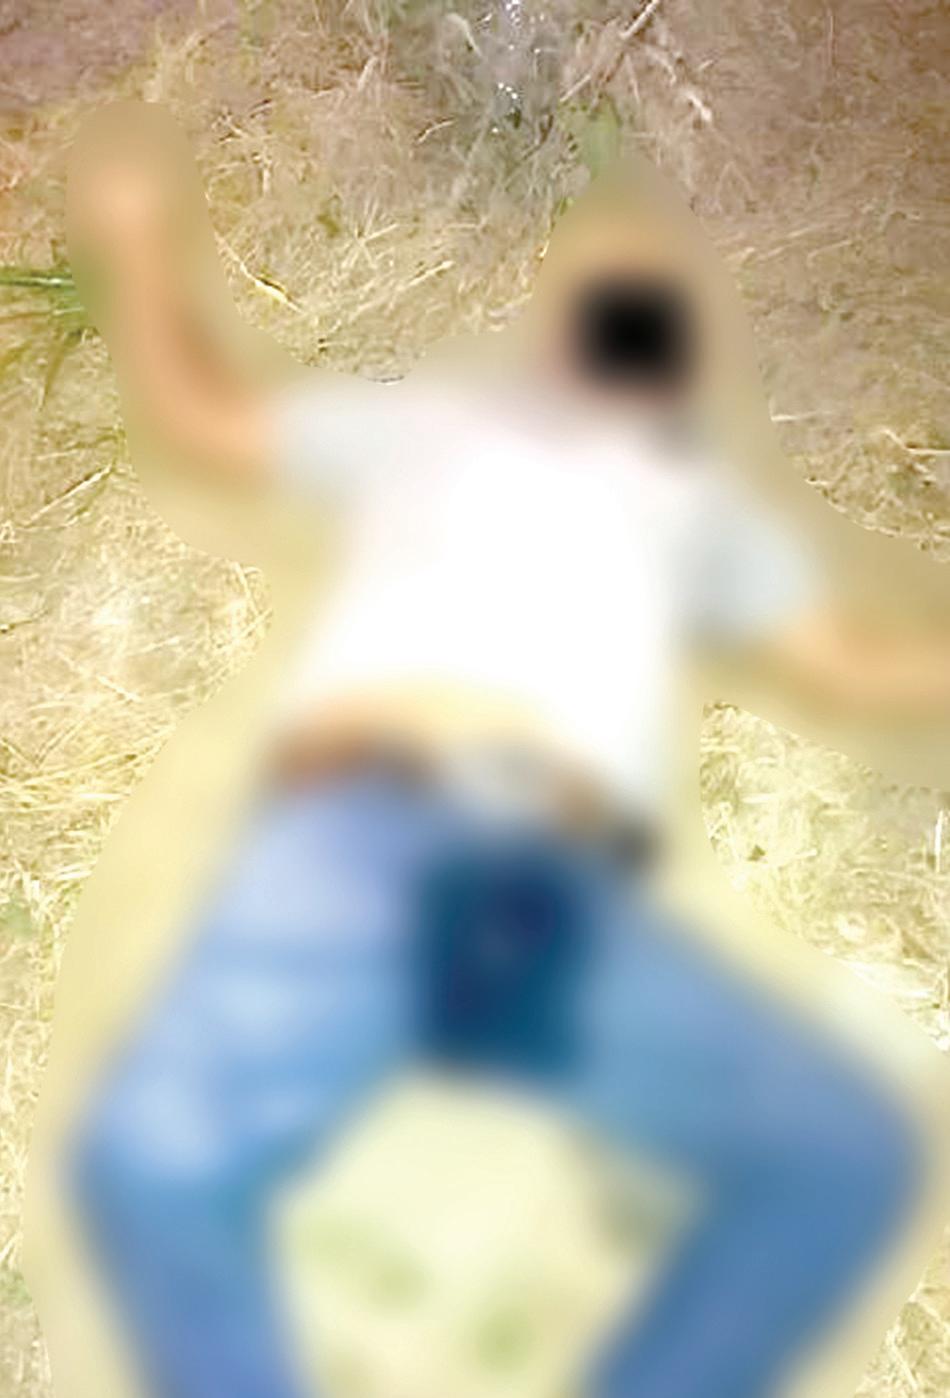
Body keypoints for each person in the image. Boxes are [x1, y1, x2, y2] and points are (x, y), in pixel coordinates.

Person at [61, 107, 947, 1398]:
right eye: (598, 277)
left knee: (838, 1152)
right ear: (547, 316)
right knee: (150, 1165)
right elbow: (209, 421)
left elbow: (848, 665)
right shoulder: (428, 429)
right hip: (360, 832)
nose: (622, 302)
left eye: (652, 294)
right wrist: (141, 252)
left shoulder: (699, 513)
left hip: (550, 889)